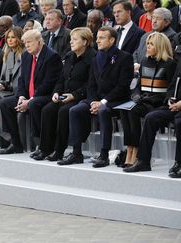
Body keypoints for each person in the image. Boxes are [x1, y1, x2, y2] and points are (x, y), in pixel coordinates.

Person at [58, 26, 133, 167]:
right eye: (97, 37)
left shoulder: (125, 57)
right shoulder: (96, 58)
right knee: (75, 110)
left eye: (102, 38)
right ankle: (76, 153)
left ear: (112, 40)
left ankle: (104, 154)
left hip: (117, 100)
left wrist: (102, 102)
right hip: (97, 99)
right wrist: (93, 101)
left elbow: (122, 87)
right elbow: (91, 85)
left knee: (103, 111)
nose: (97, 41)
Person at [33, 27, 96, 161]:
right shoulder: (69, 56)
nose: (71, 42)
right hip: (64, 95)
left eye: (75, 39)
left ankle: (59, 150)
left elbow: (90, 84)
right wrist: (56, 92)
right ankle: (45, 148)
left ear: (85, 42)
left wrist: (74, 95)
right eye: (71, 39)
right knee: (48, 109)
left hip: (82, 97)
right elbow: (61, 79)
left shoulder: (92, 58)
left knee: (64, 111)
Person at [0, 29, 63, 155]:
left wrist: (30, 100)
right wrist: (22, 96)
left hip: (46, 95)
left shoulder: (52, 56)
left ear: (39, 42)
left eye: (29, 42)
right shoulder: (26, 55)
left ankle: (41, 144)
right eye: (25, 42)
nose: (26, 45)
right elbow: (22, 79)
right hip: (29, 95)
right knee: (5, 103)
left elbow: (48, 84)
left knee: (34, 104)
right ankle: (16, 144)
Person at [121, 33, 176, 168]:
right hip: (143, 100)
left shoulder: (170, 64)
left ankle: (136, 151)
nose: (147, 47)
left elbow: (171, 89)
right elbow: (138, 86)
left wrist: (149, 100)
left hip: (157, 104)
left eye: (151, 44)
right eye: (147, 44)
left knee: (133, 110)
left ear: (160, 46)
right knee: (124, 107)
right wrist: (136, 96)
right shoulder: (145, 61)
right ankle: (130, 148)